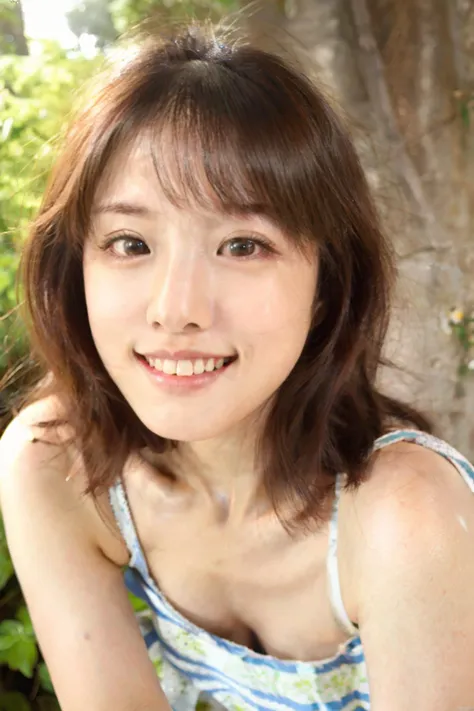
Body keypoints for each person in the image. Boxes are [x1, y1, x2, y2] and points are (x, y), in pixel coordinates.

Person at [1, 21, 474, 711]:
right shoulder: (55, 466)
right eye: (130, 242)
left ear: (328, 285)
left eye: (244, 245)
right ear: (76, 270)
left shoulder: (405, 516)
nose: (176, 309)